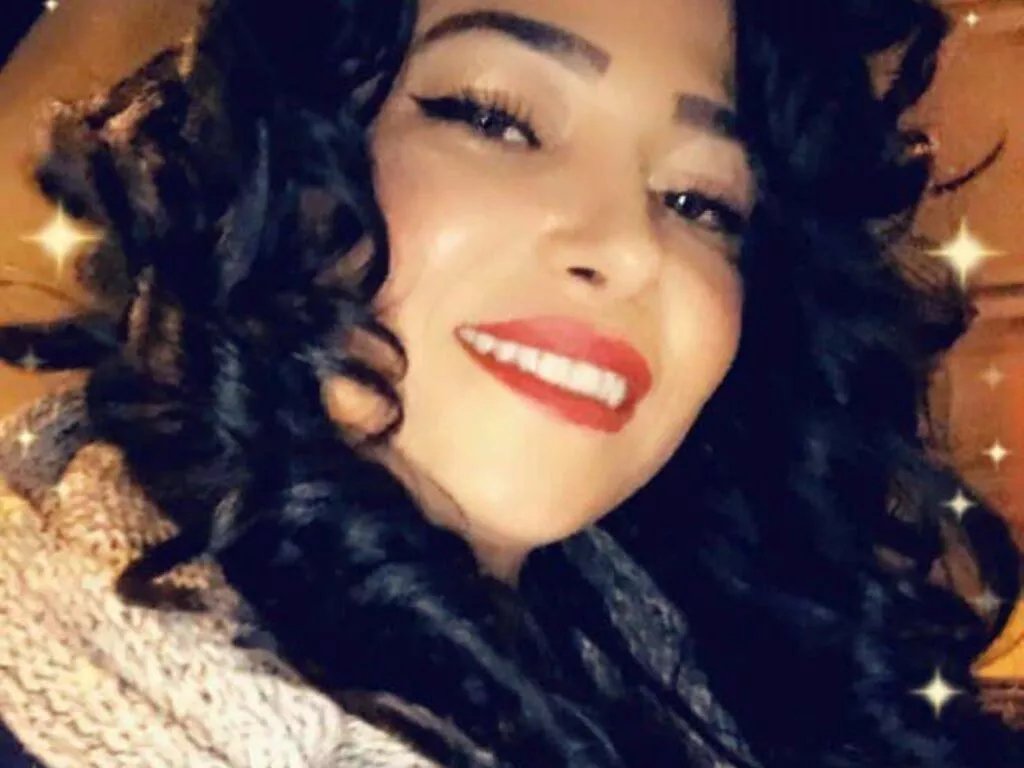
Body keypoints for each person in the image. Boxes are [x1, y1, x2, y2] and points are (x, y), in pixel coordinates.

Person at [0, 0, 1022, 765]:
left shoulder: (739, 668)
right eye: (492, 118)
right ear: (273, 154)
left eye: (699, 201)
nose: (628, 247)